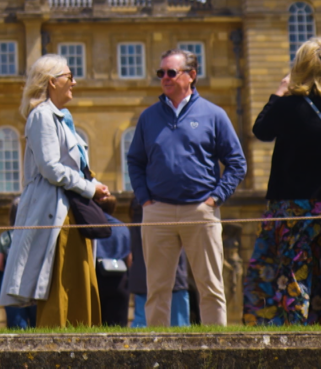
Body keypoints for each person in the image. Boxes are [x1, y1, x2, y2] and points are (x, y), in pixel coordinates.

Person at [243, 37, 321, 325]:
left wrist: (279, 92)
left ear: (298, 69)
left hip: (293, 204)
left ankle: (296, 334)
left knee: (294, 272)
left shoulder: (287, 106)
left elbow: (260, 130)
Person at [126, 48, 245, 327]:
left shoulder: (214, 115)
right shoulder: (148, 117)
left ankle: (216, 347)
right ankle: (157, 347)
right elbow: (134, 161)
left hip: (200, 210)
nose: (165, 78)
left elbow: (237, 162)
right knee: (156, 289)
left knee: (211, 286)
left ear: (191, 75)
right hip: (158, 211)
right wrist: (144, 199)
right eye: (161, 73)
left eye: (171, 72)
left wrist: (215, 199)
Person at [0, 54, 110, 327]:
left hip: (71, 210)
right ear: (52, 82)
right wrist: (90, 188)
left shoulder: (61, 118)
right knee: (60, 282)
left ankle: (82, 340)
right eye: (69, 77)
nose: (74, 82)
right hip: (56, 213)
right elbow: (50, 168)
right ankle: (57, 344)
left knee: (78, 279)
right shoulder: (42, 116)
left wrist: (92, 184)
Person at [127, 196, 190, 328]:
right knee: (179, 325)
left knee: (142, 322)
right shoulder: (171, 212)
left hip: (142, 278)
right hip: (175, 278)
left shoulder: (135, 223)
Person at [0, 198, 37, 329]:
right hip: (34, 286)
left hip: (12, 287)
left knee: (18, 328)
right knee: (38, 325)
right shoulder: (36, 234)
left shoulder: (6, 237)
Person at [94, 194, 131, 327]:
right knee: (118, 329)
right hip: (119, 279)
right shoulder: (123, 228)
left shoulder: (91, 227)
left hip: (96, 278)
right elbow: (129, 258)